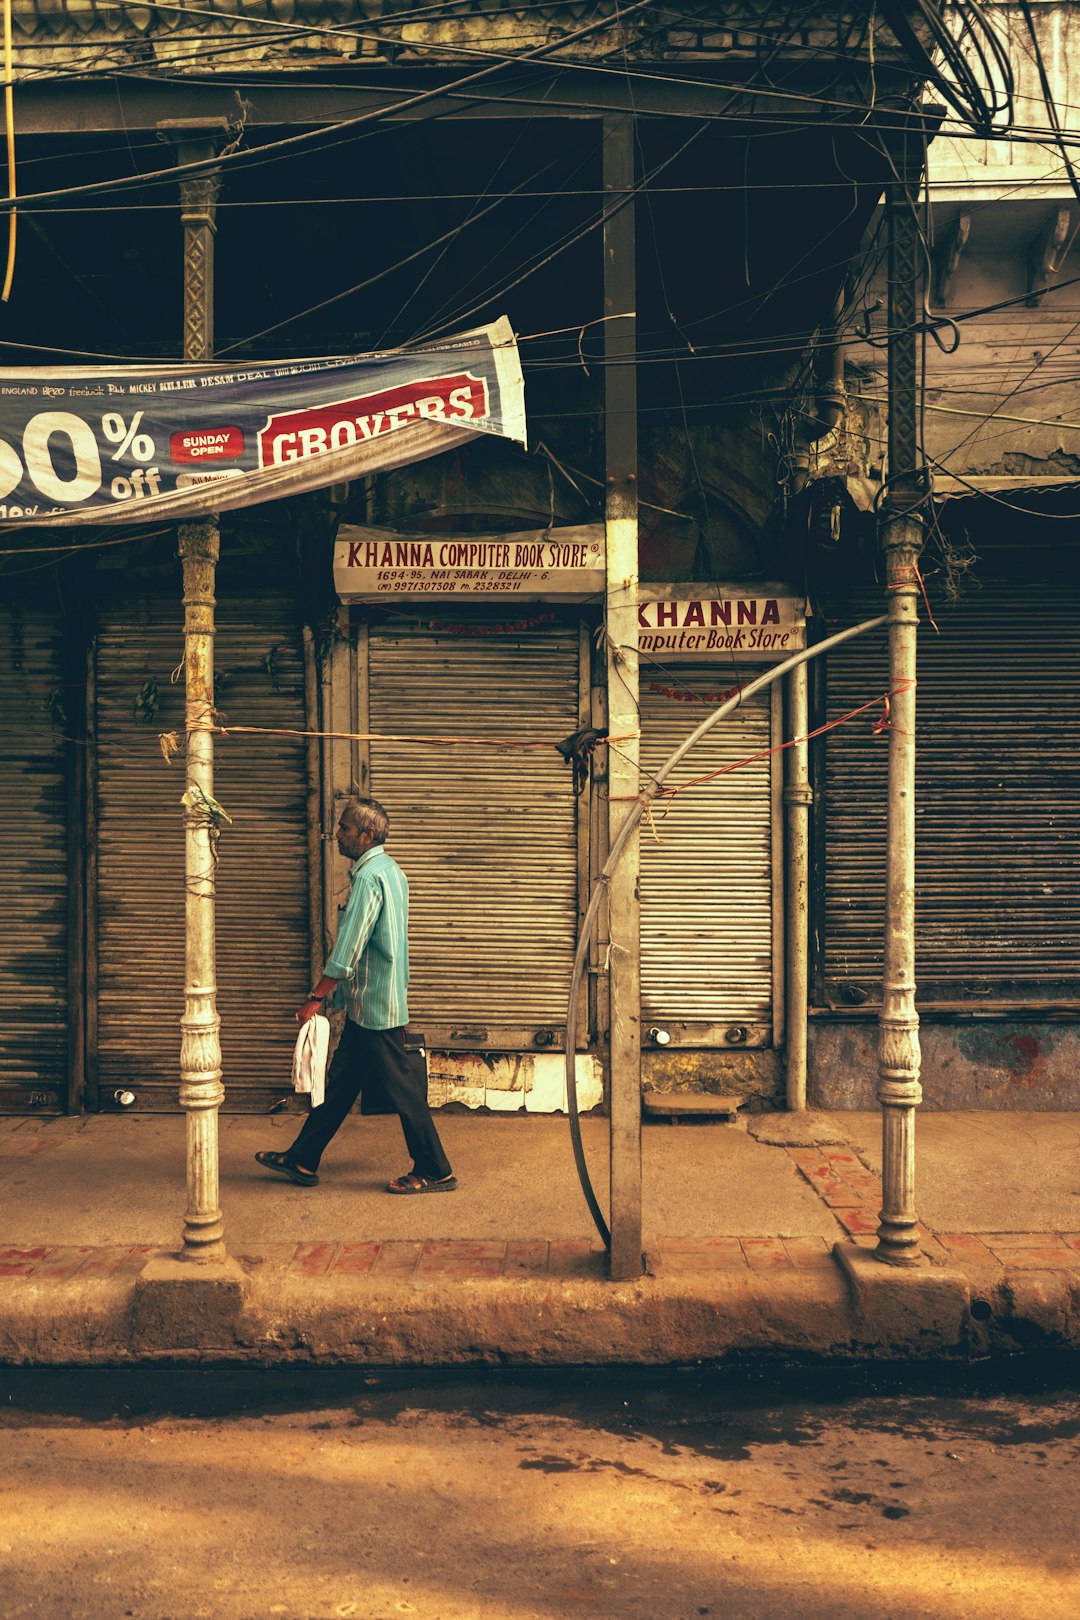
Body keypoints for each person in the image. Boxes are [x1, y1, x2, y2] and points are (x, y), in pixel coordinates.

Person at [255, 796, 456, 1195]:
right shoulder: (391, 871)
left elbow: (350, 945)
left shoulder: (368, 878)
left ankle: (435, 1169)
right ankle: (303, 1158)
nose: (337, 834)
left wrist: (318, 996)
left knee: (404, 1092)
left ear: (366, 835)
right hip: (372, 1002)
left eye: (345, 828)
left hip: (377, 1006)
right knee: (341, 1083)